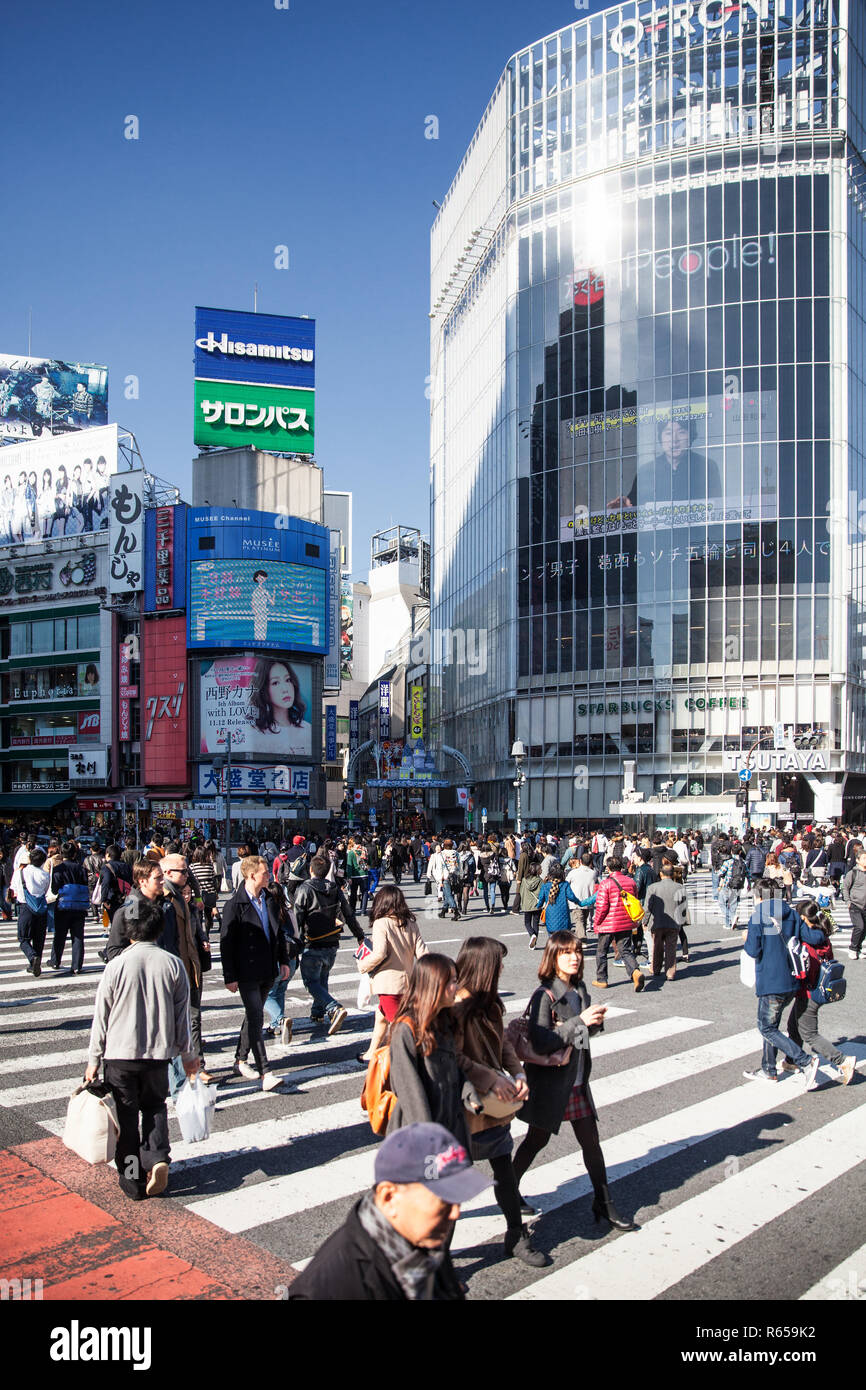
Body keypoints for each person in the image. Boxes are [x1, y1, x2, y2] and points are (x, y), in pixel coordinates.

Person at [511, 931, 635, 1232]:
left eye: (577, 951)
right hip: (550, 1083)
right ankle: (508, 1190)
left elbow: (580, 1038)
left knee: (591, 1142)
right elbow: (541, 1043)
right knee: (535, 1140)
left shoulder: (580, 989)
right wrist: (581, 1022)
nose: (574, 957)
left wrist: (594, 1025)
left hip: (577, 1080)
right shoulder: (545, 994)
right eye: (566, 952)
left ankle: (604, 1202)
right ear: (552, 958)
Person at [287, 1123, 490, 1301]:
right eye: (443, 1201)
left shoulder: (423, 1235)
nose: (455, 1213)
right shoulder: (335, 1286)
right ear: (388, 1197)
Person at [85, 899, 198, 1200]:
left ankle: (133, 1179)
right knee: (155, 1107)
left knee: (126, 1118)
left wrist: (93, 1059)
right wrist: (188, 1056)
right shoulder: (173, 964)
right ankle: (158, 1157)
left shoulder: (116, 965)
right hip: (158, 1055)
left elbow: (102, 1016)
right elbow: (182, 1017)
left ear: (129, 931)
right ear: (159, 930)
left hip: (120, 1054)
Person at [453, 938, 547, 1267]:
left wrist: (518, 1073)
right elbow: (455, 1059)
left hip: (492, 1107)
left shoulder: (490, 1003)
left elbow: (503, 1045)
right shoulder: (455, 1006)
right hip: (463, 1110)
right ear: (483, 967)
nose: (503, 968)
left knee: (504, 1174)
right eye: (498, 963)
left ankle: (515, 1235)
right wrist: (492, 1078)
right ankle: (436, 1261)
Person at [741, 878, 827, 1086]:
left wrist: (746, 937)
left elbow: (752, 950)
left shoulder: (758, 916)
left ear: (760, 897)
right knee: (771, 1025)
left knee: (767, 1027)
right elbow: (814, 938)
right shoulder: (793, 914)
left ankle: (804, 1060)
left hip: (771, 980)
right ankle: (768, 1069)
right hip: (792, 979)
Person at [220, 855, 291, 1091]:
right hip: (246, 969)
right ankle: (265, 1071)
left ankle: (240, 1060)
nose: (269, 876)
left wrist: (283, 960)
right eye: (265, 873)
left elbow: (277, 932)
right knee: (256, 1016)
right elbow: (226, 942)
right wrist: (229, 975)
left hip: (267, 966)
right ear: (252, 875)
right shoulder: (234, 905)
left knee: (253, 1015)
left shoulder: (268, 898)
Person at [387, 954, 466, 1147]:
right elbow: (409, 1090)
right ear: (433, 985)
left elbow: (454, 1067)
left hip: (448, 1124)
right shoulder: (406, 1028)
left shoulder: (444, 1020)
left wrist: (470, 1092)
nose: (456, 988)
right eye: (452, 982)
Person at [782, 899, 856, 1085]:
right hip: (820, 988)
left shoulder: (807, 940)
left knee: (809, 1033)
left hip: (809, 991)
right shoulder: (822, 934)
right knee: (793, 1025)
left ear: (802, 918)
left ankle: (842, 1061)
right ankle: (792, 1060)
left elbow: (804, 969)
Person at [294, 853, 365, 1033]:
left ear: (310, 869)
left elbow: (298, 917)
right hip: (332, 940)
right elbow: (348, 913)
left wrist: (296, 941)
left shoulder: (305, 889)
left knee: (310, 981)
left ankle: (333, 1007)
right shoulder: (334, 888)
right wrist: (359, 934)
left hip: (313, 940)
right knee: (322, 977)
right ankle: (317, 1011)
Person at [357, 885, 428, 1064]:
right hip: (408, 981)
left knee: (400, 1027)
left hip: (389, 983)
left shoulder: (382, 923)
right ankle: (371, 1052)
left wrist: (362, 965)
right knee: (380, 1017)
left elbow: (379, 953)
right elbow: (423, 953)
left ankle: (412, 1061)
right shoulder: (411, 923)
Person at [161, 854, 211, 1089]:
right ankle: (180, 1085)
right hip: (173, 971)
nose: (187, 874)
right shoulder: (162, 900)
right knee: (176, 1026)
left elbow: (194, 933)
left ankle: (195, 1068)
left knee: (191, 1020)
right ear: (167, 873)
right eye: (182, 871)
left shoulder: (185, 903)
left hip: (190, 968)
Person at [590, 857, 644, 992]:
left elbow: (602, 906)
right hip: (625, 921)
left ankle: (602, 979)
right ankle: (635, 972)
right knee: (625, 950)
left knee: (601, 951)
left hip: (608, 923)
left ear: (608, 868)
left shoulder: (606, 883)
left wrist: (597, 921)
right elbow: (634, 899)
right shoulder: (630, 882)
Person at [244, 658, 312, 755]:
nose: (285, 689)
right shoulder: (255, 733)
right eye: (275, 683)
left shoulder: (307, 729)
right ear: (263, 689)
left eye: (288, 680)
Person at [642, 861, 690, 981]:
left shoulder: (653, 887)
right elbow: (683, 907)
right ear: (672, 874)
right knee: (671, 948)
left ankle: (656, 968)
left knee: (657, 946)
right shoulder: (680, 887)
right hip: (674, 922)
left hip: (657, 922)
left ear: (661, 874)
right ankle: (670, 972)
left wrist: (645, 921)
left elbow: (648, 907)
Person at [47, 841, 89, 974]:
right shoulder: (81, 868)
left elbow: (54, 889)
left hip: (63, 905)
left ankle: (55, 961)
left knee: (60, 934)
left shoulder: (59, 869)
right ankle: (76, 965)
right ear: (74, 853)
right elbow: (85, 884)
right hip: (79, 905)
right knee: (77, 936)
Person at [11, 846, 50, 976]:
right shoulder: (45, 875)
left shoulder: (20, 873)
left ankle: (33, 958)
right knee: (39, 938)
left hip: (25, 907)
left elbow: (14, 889)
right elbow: (45, 891)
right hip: (40, 908)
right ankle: (34, 964)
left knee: (23, 938)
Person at [536, 862, 582, 936]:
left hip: (550, 914)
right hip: (563, 913)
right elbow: (571, 897)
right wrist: (578, 902)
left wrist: (538, 906)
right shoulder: (565, 884)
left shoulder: (546, 885)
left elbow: (541, 899)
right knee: (564, 938)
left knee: (552, 938)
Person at [841, 849, 866, 961]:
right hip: (855, 904)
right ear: (858, 860)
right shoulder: (853, 873)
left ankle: (858, 949)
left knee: (864, 928)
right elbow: (845, 887)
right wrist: (848, 902)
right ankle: (852, 948)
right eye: (864, 858)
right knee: (859, 926)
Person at [519, 855, 544, 948]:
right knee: (536, 923)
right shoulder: (540, 880)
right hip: (537, 904)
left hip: (527, 904)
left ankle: (531, 934)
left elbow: (521, 892)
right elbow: (542, 892)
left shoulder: (524, 880)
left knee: (527, 922)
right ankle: (534, 942)